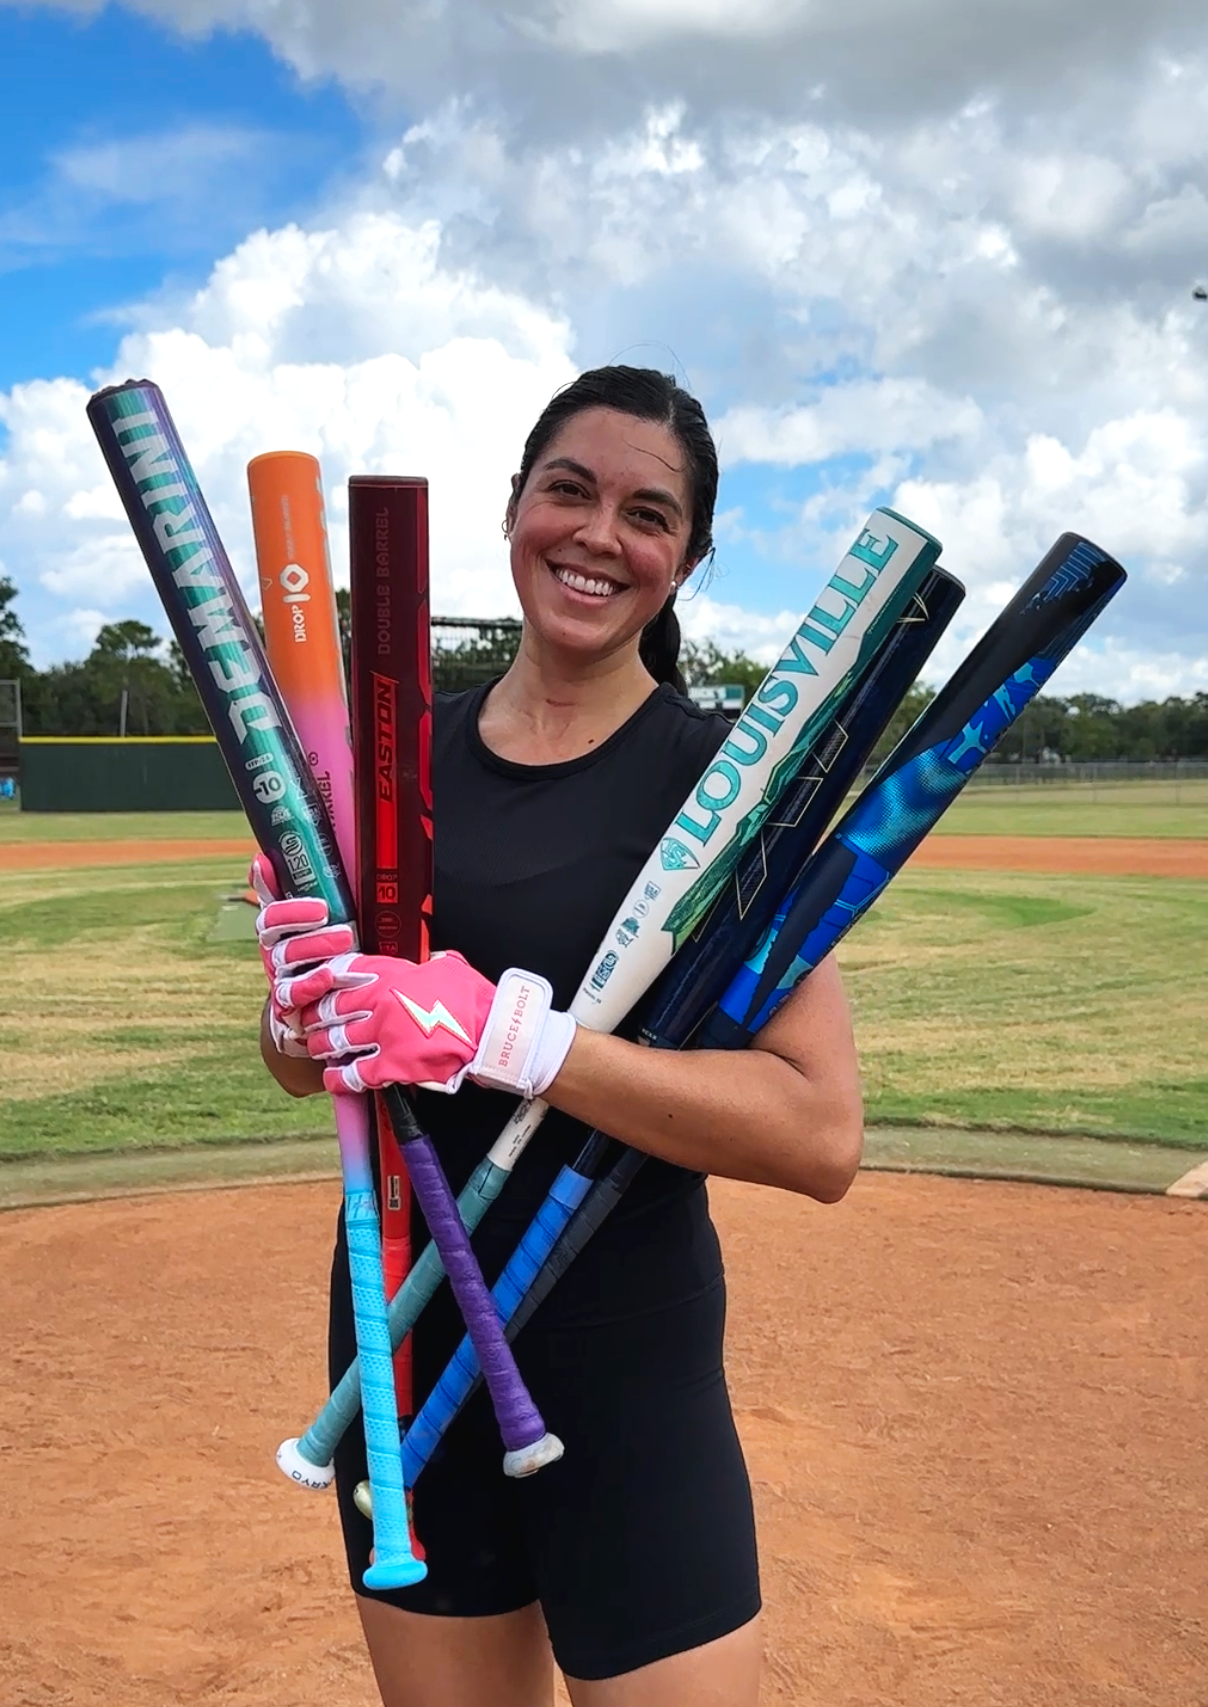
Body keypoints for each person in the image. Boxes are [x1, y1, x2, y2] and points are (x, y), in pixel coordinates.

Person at [256, 365, 864, 1707]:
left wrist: (519, 1039)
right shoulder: (391, 756)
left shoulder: (730, 792)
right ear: (515, 506)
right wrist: (298, 1003)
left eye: (647, 513)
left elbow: (819, 1133)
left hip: (622, 1368)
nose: (598, 533)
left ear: (688, 557)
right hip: (399, 1341)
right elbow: (314, 1065)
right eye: (569, 490)